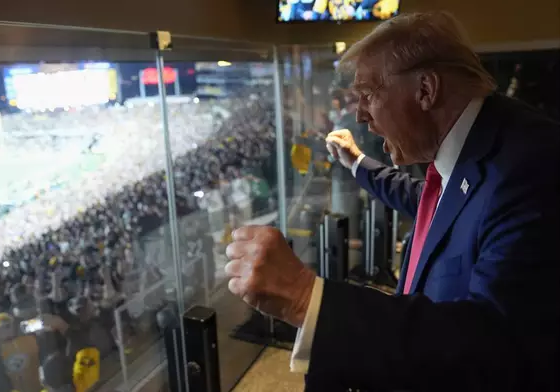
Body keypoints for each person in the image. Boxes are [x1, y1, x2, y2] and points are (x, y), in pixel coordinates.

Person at [224, 11, 560, 391]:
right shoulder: (482, 145)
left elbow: (497, 346)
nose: (360, 114)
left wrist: (305, 297)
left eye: (369, 93)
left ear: (426, 90)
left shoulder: (531, 167)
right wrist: (358, 164)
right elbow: (433, 205)